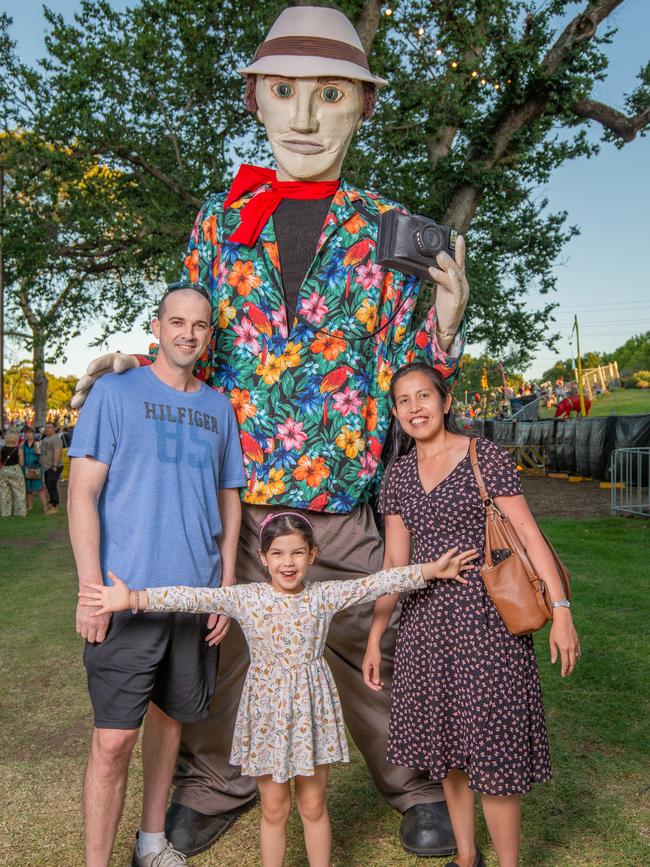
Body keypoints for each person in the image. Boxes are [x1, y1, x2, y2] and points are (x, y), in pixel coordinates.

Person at [70, 6, 471, 857]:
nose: (303, 116)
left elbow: (411, 370)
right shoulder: (221, 224)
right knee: (225, 659)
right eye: (284, 91)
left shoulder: (387, 230)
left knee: (375, 636)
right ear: (256, 98)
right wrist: (131, 371)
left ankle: (413, 785)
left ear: (361, 106)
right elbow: (190, 343)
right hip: (240, 503)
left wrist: (445, 324)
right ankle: (217, 785)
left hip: (342, 495)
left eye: (329, 95)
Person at [79, 511, 477, 867]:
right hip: (267, 712)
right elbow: (191, 596)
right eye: (279, 554)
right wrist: (130, 597)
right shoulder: (248, 598)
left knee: (313, 803)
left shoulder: (324, 595)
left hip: (311, 710)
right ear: (264, 557)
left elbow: (379, 582)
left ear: (312, 555)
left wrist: (430, 570)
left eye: (297, 553)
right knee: (274, 807)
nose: (288, 563)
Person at [362, 362, 581, 867]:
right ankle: (466, 858)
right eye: (404, 401)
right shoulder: (396, 476)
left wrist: (562, 610)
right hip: (425, 627)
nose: (415, 408)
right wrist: (377, 634)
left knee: (494, 753)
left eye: (424, 397)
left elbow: (528, 535)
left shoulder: (485, 456)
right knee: (449, 754)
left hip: (488, 623)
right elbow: (394, 564)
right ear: (395, 412)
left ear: (444, 401)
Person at [67, 284, 246, 867]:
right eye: (176, 321)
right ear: (158, 326)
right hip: (122, 597)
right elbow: (82, 495)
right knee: (115, 740)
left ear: (208, 334)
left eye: (198, 325)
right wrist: (90, 592)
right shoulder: (115, 393)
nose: (187, 334)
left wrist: (223, 589)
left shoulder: (219, 408)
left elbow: (229, 504)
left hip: (192, 598)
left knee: (170, 726)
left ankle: (151, 842)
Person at [20, 426, 47, 512]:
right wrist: (22, 466)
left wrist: (37, 465)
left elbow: (39, 456)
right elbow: (22, 456)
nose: (28, 435)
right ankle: (30, 506)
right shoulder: (23, 444)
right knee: (28, 489)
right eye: (26, 433)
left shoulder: (37, 443)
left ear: (33, 434)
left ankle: (45, 506)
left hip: (36, 468)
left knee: (39, 488)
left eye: (29, 433)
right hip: (26, 468)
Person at [0, 430, 27, 518]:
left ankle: (5, 512)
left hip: (4, 471)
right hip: (15, 470)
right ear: (16, 438)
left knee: (4, 492)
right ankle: (20, 512)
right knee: (19, 492)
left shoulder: (2, 449)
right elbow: (21, 463)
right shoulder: (19, 449)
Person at [40, 421, 64, 514]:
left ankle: (55, 506)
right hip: (46, 467)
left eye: (49, 427)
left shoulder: (56, 439)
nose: (47, 429)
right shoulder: (46, 438)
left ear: (54, 429)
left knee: (52, 486)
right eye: (46, 427)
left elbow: (57, 452)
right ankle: (51, 502)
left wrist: (54, 465)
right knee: (49, 486)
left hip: (53, 467)